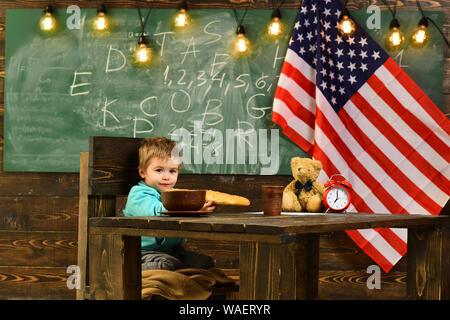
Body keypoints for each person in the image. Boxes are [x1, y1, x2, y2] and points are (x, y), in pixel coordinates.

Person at [123, 136, 217, 271]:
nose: (166, 177)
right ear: (142, 172)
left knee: (204, 262)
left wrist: (198, 210)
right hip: (141, 253)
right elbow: (158, 211)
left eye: (172, 171)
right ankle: (129, 269)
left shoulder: (174, 194)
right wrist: (191, 207)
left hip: (171, 251)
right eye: (159, 170)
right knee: (168, 264)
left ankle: (175, 272)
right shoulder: (138, 194)